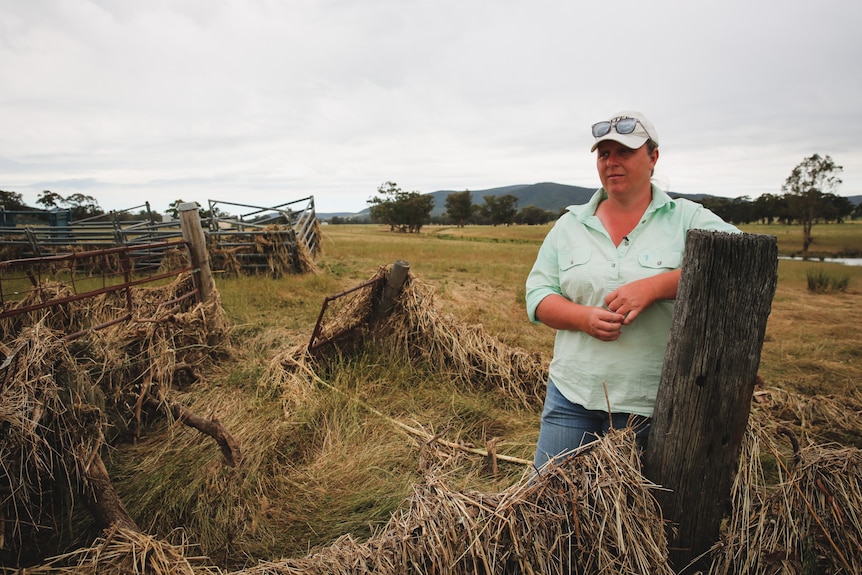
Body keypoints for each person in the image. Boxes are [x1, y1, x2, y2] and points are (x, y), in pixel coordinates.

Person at [526, 110, 738, 470]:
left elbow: (740, 258)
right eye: (604, 154)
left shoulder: (686, 217)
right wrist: (582, 318)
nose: (612, 162)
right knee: (548, 507)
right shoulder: (570, 224)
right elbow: (538, 294)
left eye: (625, 152)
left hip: (649, 404)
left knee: (635, 517)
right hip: (571, 396)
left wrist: (656, 286)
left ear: (653, 157)